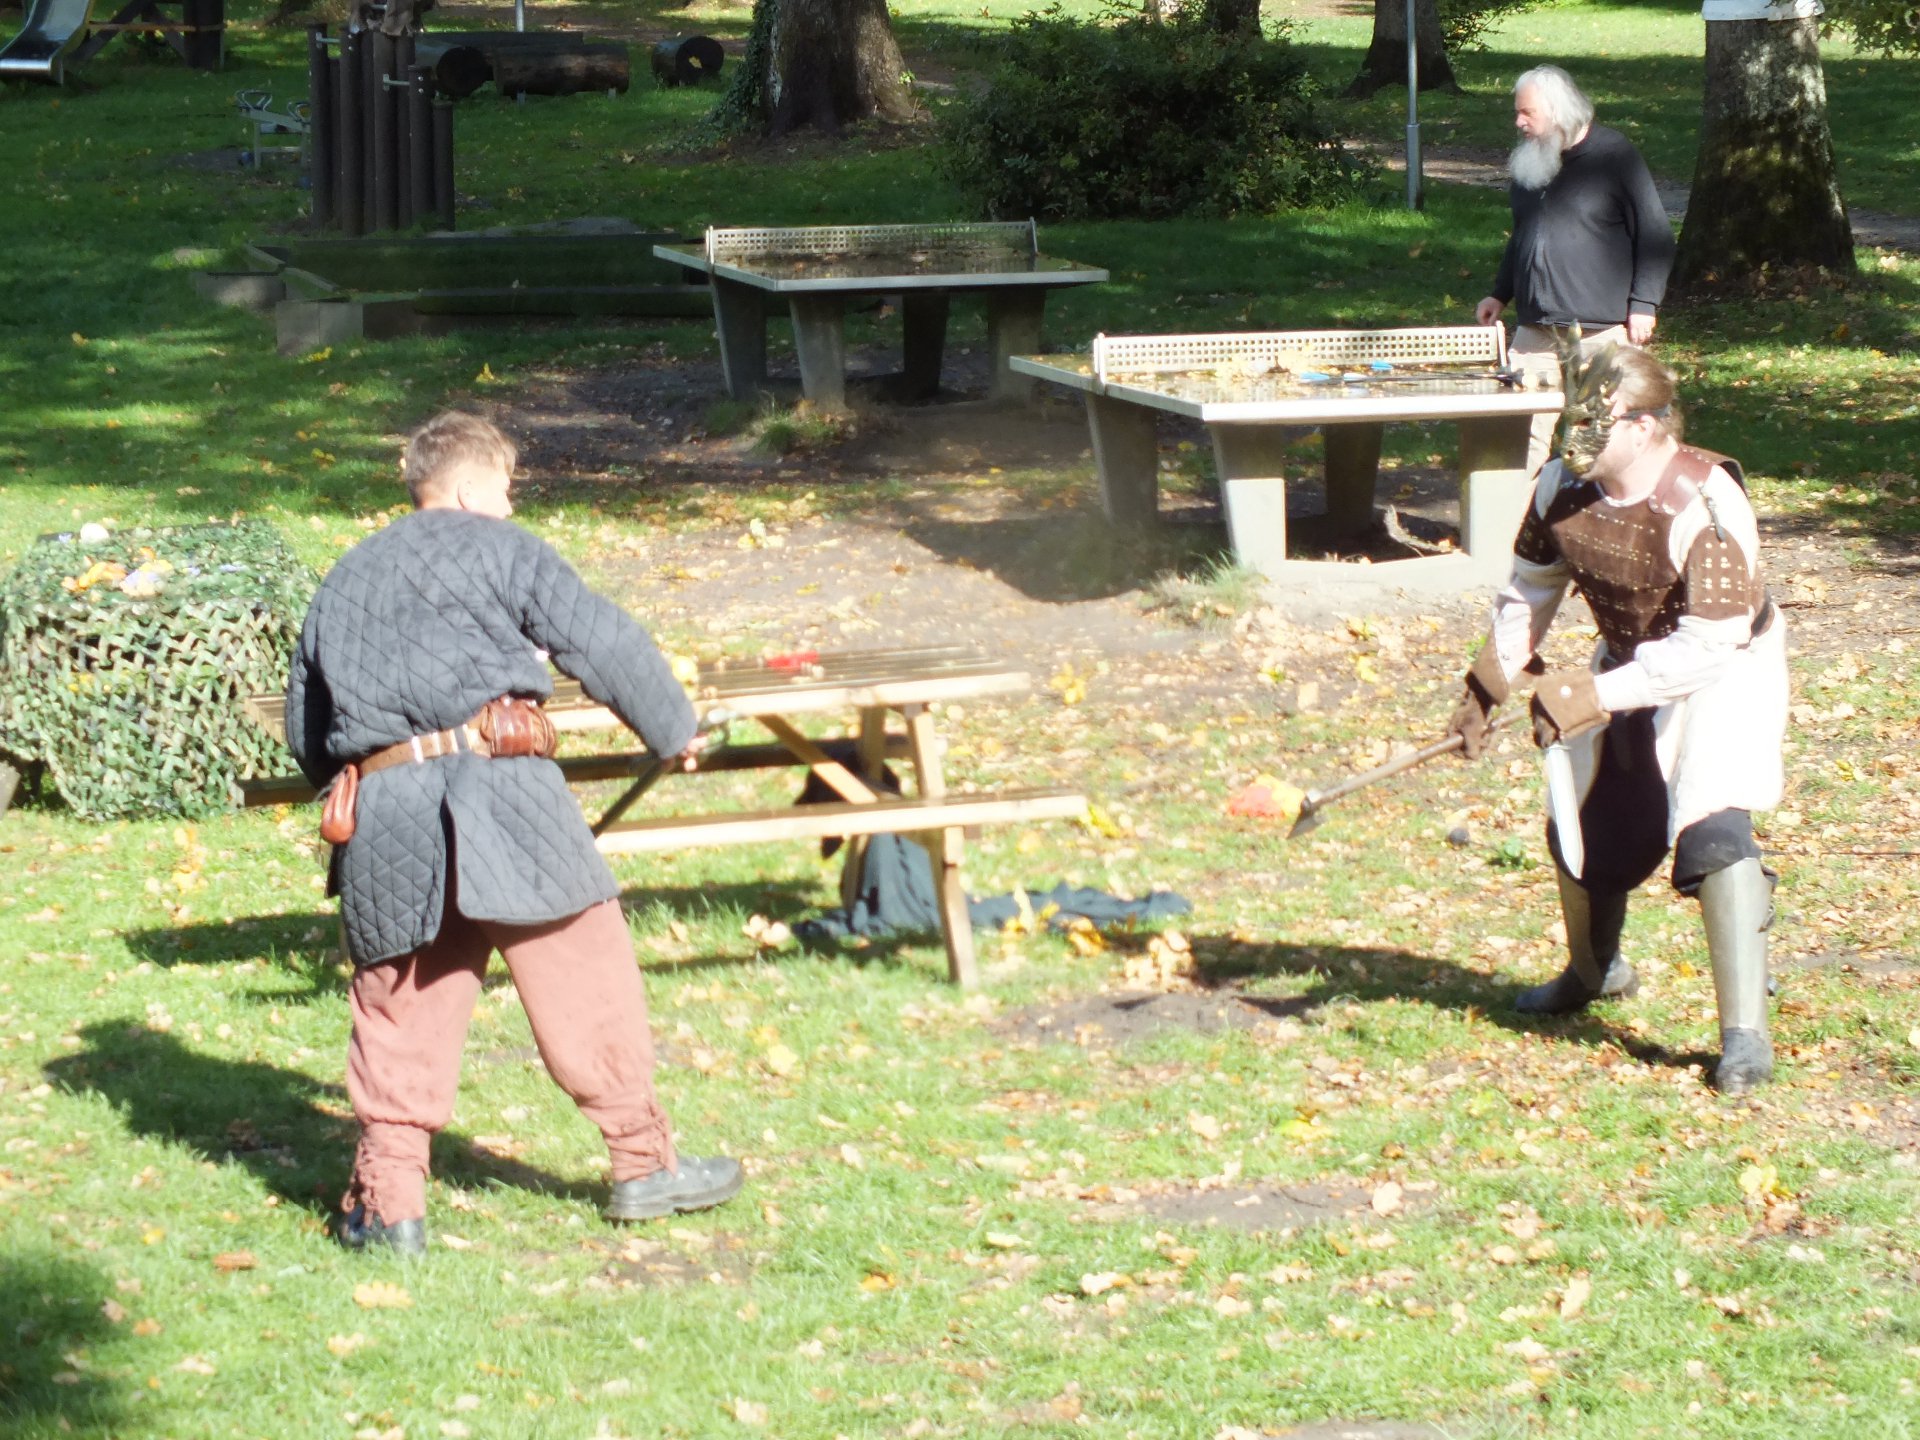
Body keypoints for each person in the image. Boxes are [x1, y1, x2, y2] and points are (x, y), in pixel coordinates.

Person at [285, 411, 741, 1256]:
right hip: (508, 797)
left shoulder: (343, 579)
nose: (510, 505)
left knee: (399, 1013)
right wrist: (673, 728)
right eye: (505, 488)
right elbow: (596, 636)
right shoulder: (501, 547)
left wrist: (381, 782)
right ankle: (644, 1165)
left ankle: (390, 1208)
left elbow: (306, 733)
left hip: (387, 819)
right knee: (587, 979)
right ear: (466, 490)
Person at [1447, 346, 1788, 1097]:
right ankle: (1593, 971)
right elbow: (1531, 587)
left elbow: (1711, 645)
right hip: (1630, 661)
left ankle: (1744, 1037)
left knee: (1714, 831)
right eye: (1569, 421)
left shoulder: (1706, 503)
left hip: (1726, 671)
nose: (1576, 441)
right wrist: (1487, 684)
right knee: (1586, 822)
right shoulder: (1560, 486)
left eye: (1593, 425)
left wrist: (1596, 695)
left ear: (1644, 426)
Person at [1474, 64, 1677, 479]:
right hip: (1536, 328)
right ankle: (1515, 515)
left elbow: (1654, 233)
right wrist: (1500, 293)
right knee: (1519, 435)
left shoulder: (1615, 156)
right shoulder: (1532, 162)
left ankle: (1599, 510)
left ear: (1558, 111)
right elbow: (1523, 237)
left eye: (1527, 113)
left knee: (1602, 435)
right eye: (1517, 112)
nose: (1519, 122)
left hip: (1600, 330)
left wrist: (1644, 303)